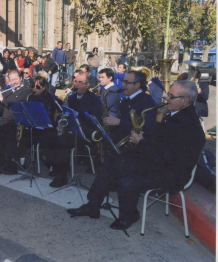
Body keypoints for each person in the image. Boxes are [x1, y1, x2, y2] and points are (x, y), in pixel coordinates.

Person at [67, 80, 205, 231]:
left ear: (185, 101)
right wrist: (144, 136)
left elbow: (166, 157)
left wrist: (141, 143)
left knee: (127, 181)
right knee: (111, 161)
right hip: (159, 165)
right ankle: (92, 206)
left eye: (171, 96)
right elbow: (161, 144)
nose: (166, 98)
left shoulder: (187, 125)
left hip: (172, 173)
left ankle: (128, 216)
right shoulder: (177, 114)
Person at [46, 72, 103, 187]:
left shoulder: (94, 99)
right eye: (75, 81)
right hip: (71, 130)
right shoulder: (71, 97)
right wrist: (60, 124)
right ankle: (55, 165)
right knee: (49, 135)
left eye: (80, 82)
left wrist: (78, 114)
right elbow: (64, 115)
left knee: (62, 141)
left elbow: (96, 119)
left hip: (85, 132)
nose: (76, 84)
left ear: (87, 85)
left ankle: (61, 176)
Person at [0, 69, 32, 175]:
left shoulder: (26, 91)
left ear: (20, 78)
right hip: (5, 121)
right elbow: (0, 109)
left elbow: (16, 105)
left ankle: (10, 164)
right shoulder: (8, 92)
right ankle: (1, 160)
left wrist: (1, 100)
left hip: (17, 122)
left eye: (16, 79)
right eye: (12, 80)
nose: (14, 82)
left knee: (9, 136)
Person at [103, 71, 157, 144]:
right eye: (123, 82)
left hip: (133, 148)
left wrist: (118, 122)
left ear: (137, 84)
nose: (122, 85)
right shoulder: (126, 100)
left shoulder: (147, 102)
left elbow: (145, 129)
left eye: (126, 82)